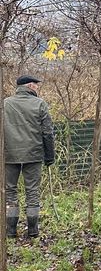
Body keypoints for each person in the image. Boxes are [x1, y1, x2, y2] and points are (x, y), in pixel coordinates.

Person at [3, 75, 55, 239]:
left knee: (10, 192)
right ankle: (33, 231)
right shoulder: (40, 104)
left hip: (8, 155)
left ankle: (11, 231)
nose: (38, 88)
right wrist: (49, 156)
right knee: (32, 192)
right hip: (33, 154)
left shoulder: (5, 104)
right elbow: (48, 133)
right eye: (36, 85)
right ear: (30, 86)